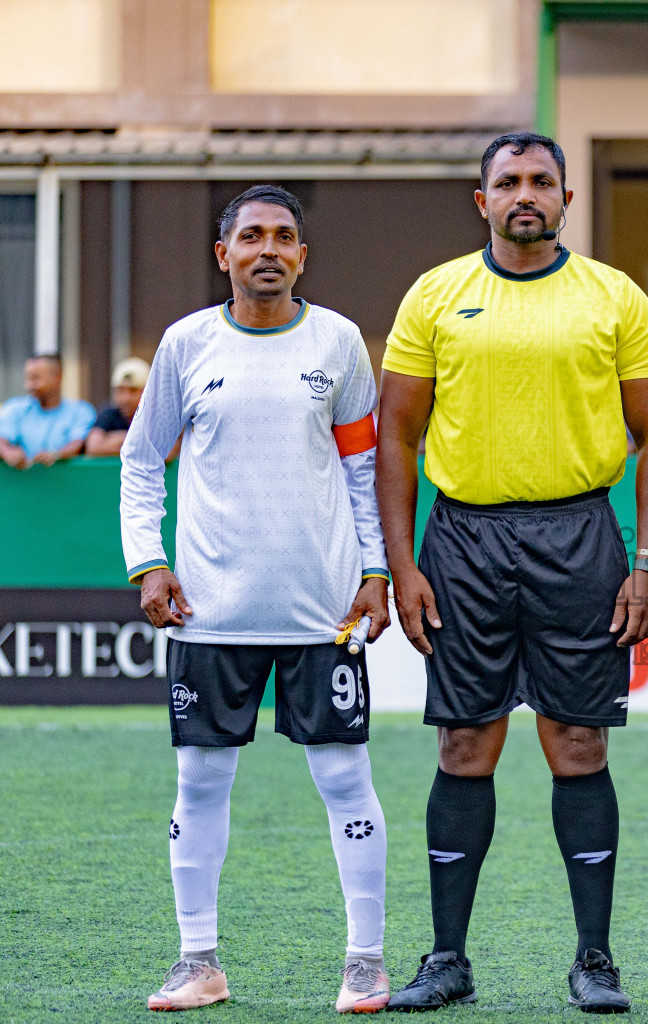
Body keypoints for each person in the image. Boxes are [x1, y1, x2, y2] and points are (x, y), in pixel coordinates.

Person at [376, 131, 648, 1013]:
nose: (526, 194)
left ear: (565, 200)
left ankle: (594, 959)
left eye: (542, 181)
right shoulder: (436, 293)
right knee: (465, 744)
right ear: (482, 200)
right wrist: (403, 565)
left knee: (577, 743)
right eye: (508, 181)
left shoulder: (612, 296)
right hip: (462, 540)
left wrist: (647, 561)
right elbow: (395, 434)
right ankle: (446, 959)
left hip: (581, 537)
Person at [119, 185, 394, 1013]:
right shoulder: (186, 343)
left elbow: (361, 472)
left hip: (324, 615)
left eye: (283, 237)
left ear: (302, 256)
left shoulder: (341, 342)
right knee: (198, 784)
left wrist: (375, 572)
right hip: (212, 615)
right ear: (224, 255)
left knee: (347, 781)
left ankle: (366, 962)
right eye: (250, 237)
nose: (267, 249)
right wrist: (149, 562)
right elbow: (141, 462)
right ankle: (197, 959)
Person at [0, 354, 95, 469]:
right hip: (21, 484)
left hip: (65, 484)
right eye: (27, 378)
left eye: (35, 378)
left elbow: (77, 444)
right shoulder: (14, 408)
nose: (29, 385)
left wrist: (56, 455)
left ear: (57, 377)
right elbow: (2, 440)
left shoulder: (81, 411)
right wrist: (9, 453)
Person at [86, 356, 151, 456]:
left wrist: (115, 439)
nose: (125, 399)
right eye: (120, 391)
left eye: (133, 391)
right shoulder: (109, 414)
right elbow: (93, 447)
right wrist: (143, 442)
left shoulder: (155, 415)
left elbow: (167, 451)